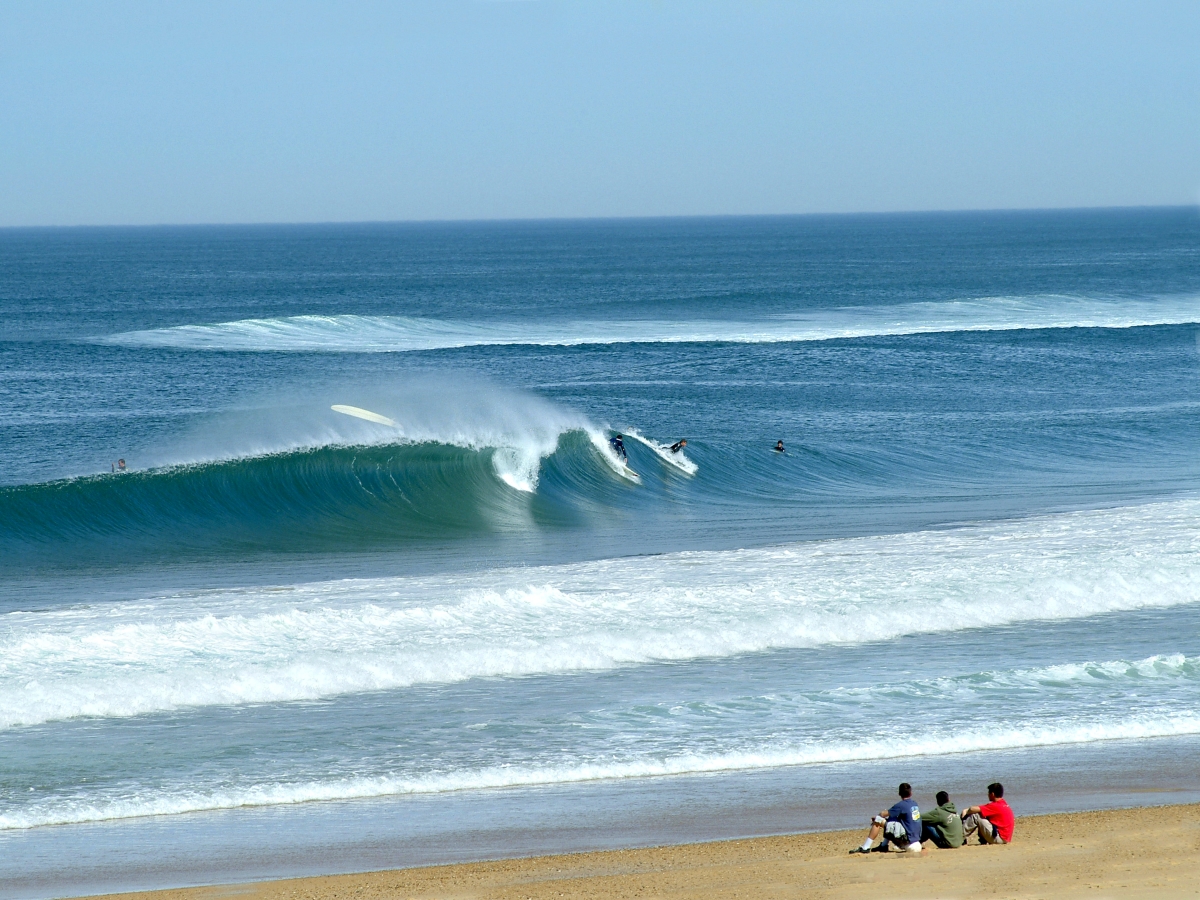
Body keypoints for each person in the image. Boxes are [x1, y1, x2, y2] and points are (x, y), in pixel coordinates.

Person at [850, 782, 923, 854]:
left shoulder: (901, 805)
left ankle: (865, 847)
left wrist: (876, 817)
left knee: (878, 819)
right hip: (916, 839)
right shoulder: (914, 804)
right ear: (911, 793)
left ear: (899, 794)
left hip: (906, 841)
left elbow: (883, 814)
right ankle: (883, 846)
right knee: (892, 820)